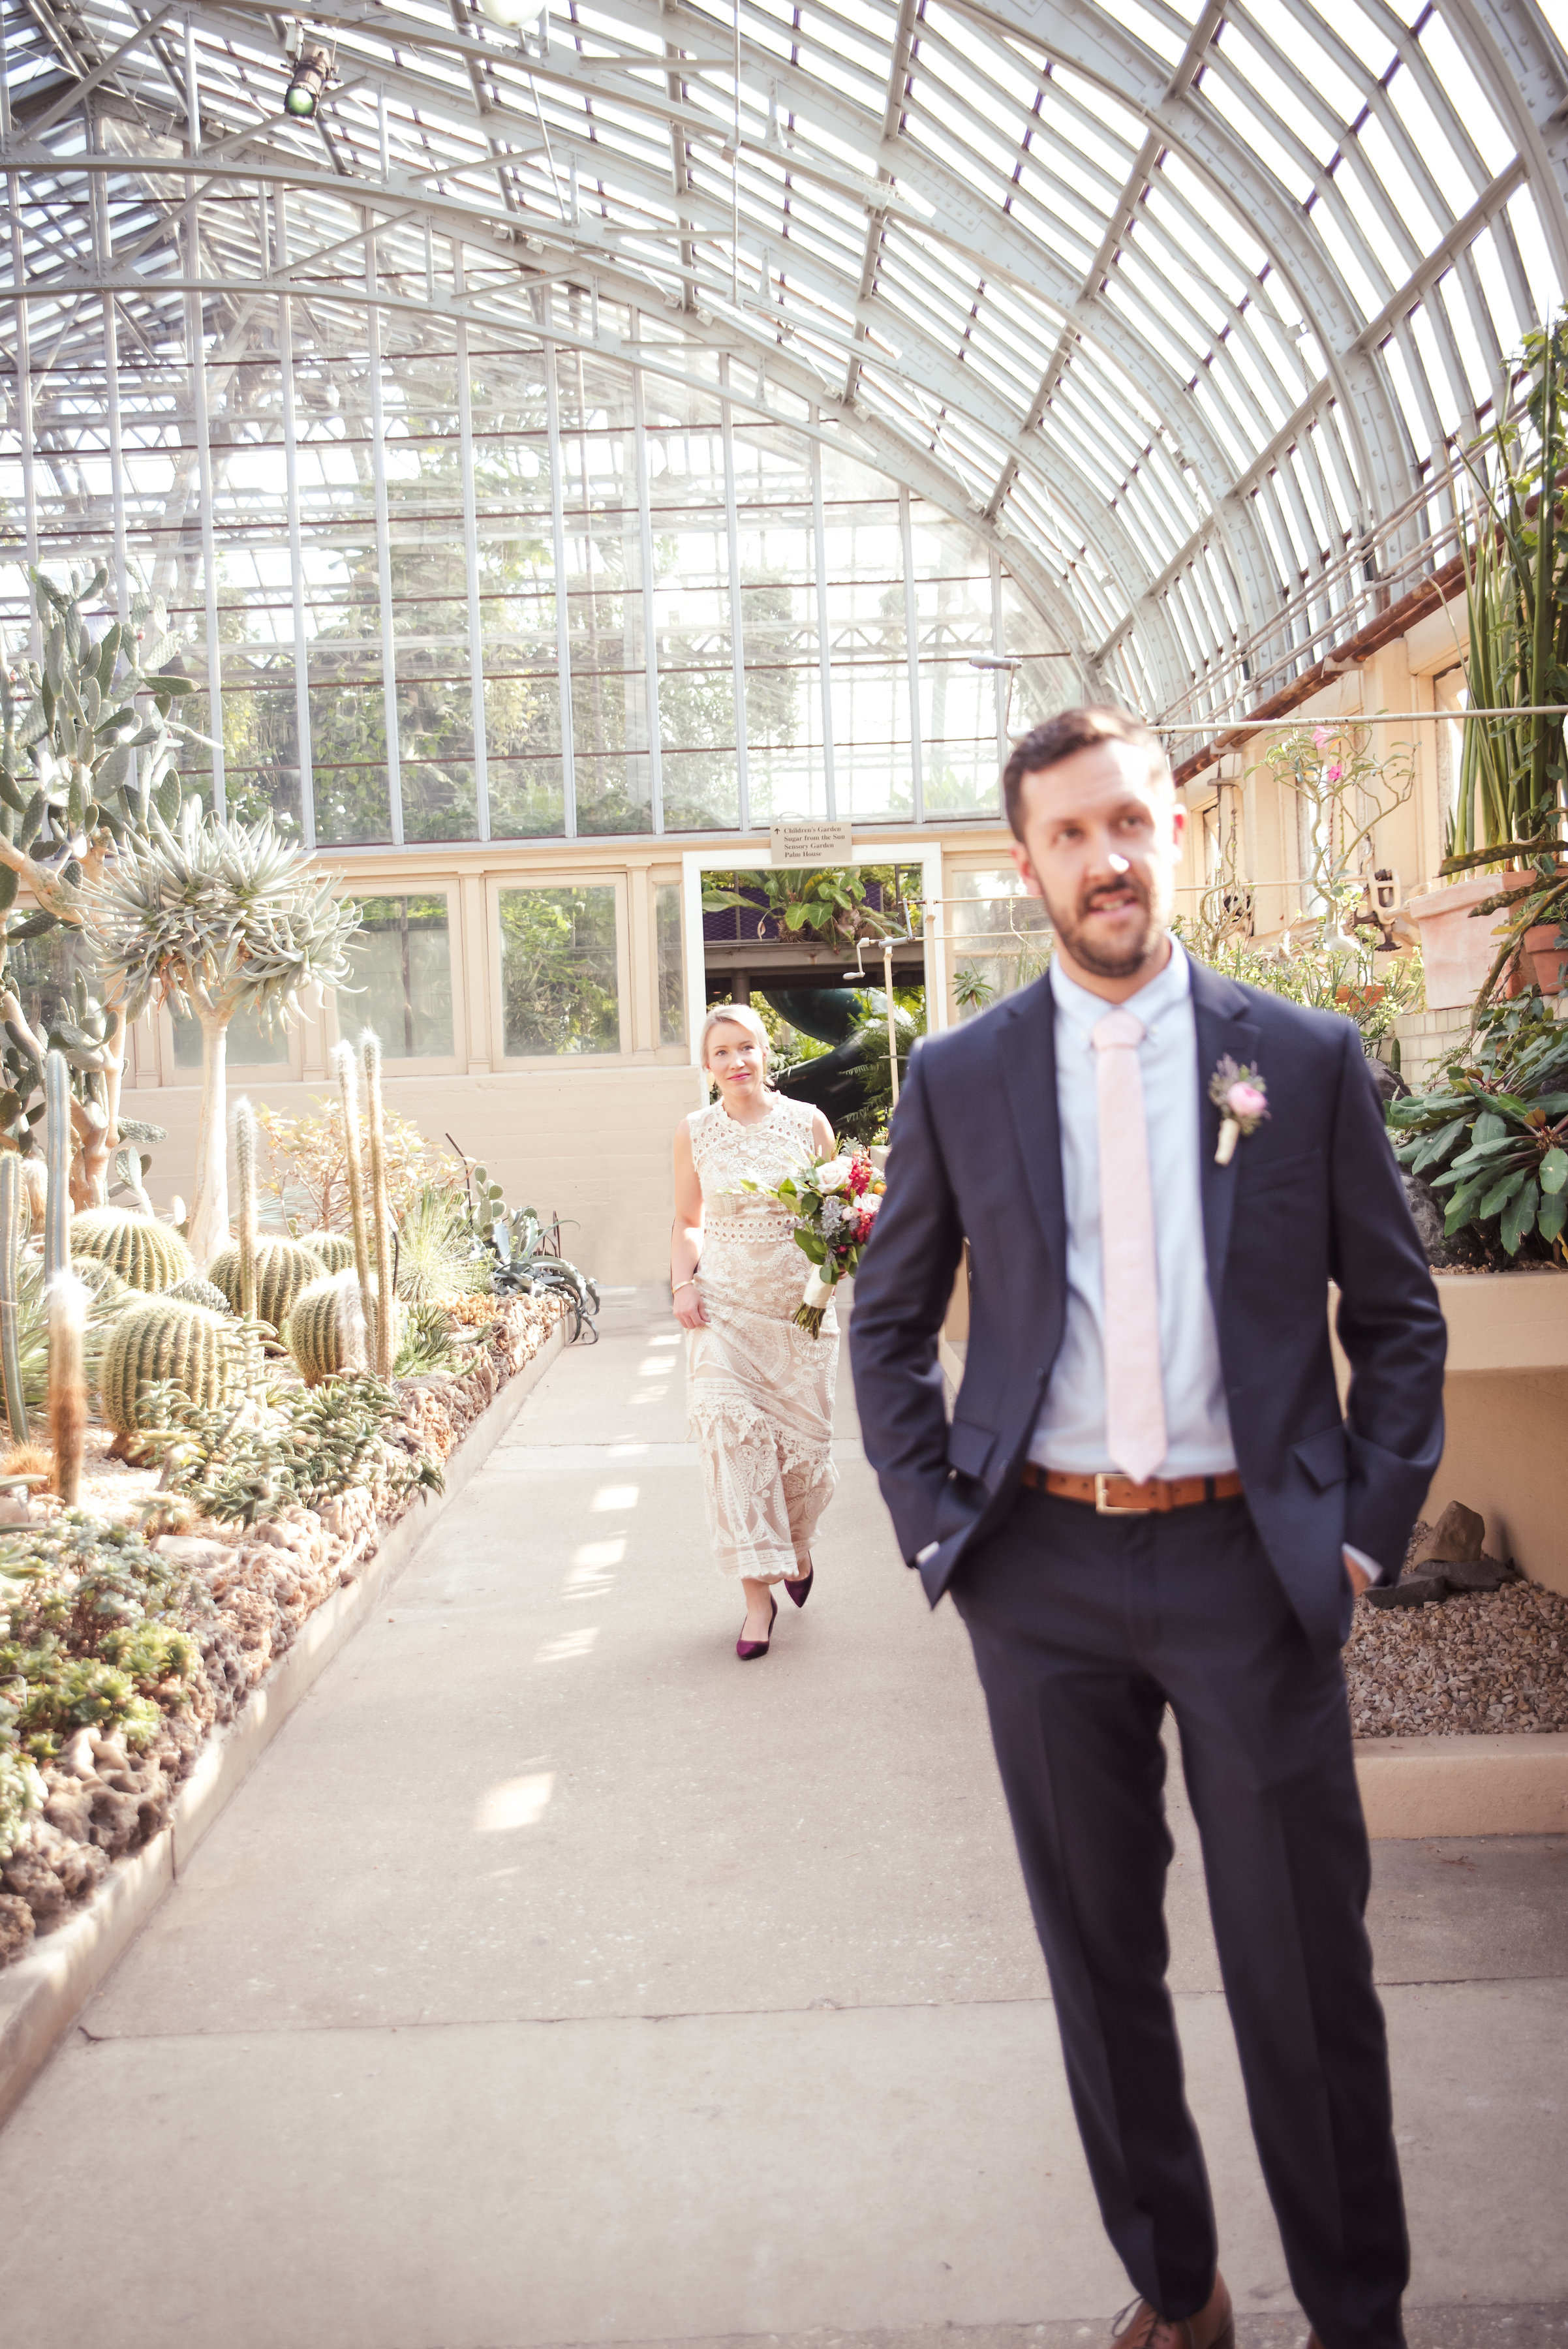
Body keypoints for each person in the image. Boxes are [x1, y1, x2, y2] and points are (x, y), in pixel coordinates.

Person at [850, 707, 1447, 2349]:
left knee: (1301, 1979)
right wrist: (933, 1531)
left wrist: (1358, 1533)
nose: (1105, 858)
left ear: (1170, 829)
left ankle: (1356, 2315)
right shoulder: (960, 1075)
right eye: (1068, 834)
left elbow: (1396, 1319)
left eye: (1128, 823)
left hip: (1254, 1571)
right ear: (1025, 861)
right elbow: (886, 1322)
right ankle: (1179, 2291)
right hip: (1039, 1573)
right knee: (1099, 1964)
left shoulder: (1302, 1059)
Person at [672, 1004, 838, 1659]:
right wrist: (684, 1283)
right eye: (722, 1053)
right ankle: (755, 1600)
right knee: (728, 1444)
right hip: (725, 1312)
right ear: (707, 1066)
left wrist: (842, 1257)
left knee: (800, 1459)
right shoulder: (694, 1132)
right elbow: (687, 1218)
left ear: (766, 1052)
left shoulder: (808, 1123)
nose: (736, 1061)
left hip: (800, 1316)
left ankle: (795, 1554)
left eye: (746, 1048)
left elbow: (838, 1215)